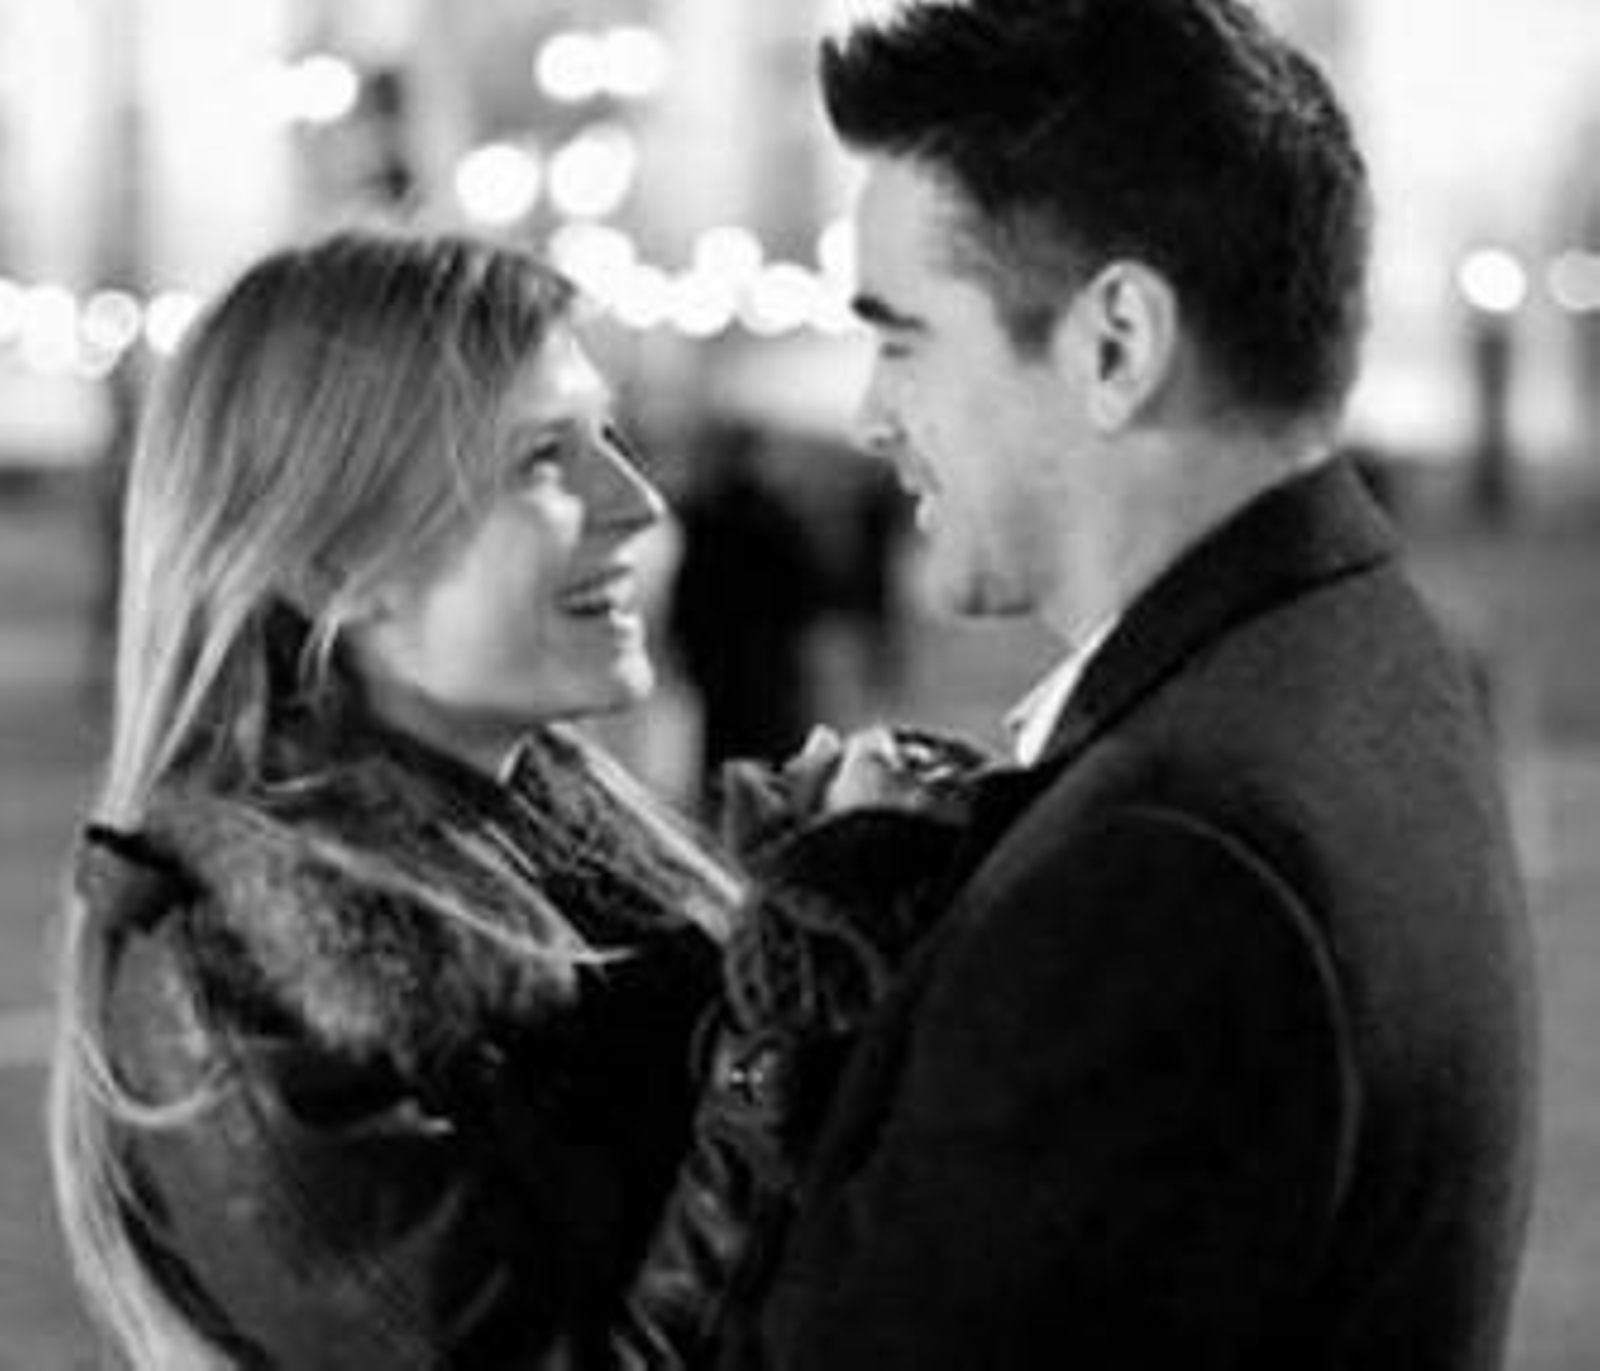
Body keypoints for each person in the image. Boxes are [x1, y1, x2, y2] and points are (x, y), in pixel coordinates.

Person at [724, 2, 1541, 1368]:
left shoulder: (1161, 870)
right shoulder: (1346, 649)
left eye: (904, 339)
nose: (870, 414)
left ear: (1114, 343)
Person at [49, 229, 752, 1368]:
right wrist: (780, 1045)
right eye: (543, 458)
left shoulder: (565, 850)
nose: (637, 501)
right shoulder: (246, 980)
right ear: (337, 564)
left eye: (610, 438)